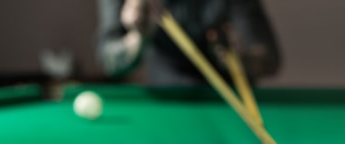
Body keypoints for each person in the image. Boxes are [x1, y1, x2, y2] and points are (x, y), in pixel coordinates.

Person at [96, 0, 281, 86]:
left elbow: (271, 61)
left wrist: (239, 59)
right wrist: (138, 37)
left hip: (230, 97)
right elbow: (109, 63)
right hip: (167, 96)